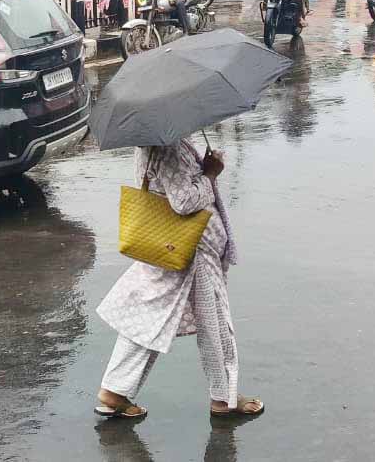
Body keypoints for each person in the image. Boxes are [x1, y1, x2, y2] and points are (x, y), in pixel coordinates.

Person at [95, 136, 263, 419]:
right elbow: (183, 202)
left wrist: (203, 169)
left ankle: (115, 390)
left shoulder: (158, 139)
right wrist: (210, 174)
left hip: (178, 244)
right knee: (215, 323)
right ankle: (224, 398)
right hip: (190, 247)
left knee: (149, 316)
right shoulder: (168, 146)